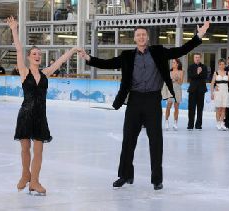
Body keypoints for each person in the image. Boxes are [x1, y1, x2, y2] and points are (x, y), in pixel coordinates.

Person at [79, 22, 210, 190]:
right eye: (138, 35)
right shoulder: (127, 56)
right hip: (134, 100)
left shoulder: (158, 52)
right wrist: (88, 58)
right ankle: (125, 175)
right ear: (134, 38)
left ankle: (157, 179)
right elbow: (108, 63)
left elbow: (181, 50)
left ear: (147, 37)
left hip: (153, 100)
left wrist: (198, 36)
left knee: (156, 140)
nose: (141, 37)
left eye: (143, 34)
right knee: (128, 139)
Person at [7, 16, 78, 195]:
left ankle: (35, 182)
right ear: (30, 58)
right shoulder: (23, 72)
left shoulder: (46, 73)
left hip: (40, 117)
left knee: (38, 151)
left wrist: (74, 49)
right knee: (25, 148)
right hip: (25, 114)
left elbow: (61, 60)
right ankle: (25, 175)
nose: (37, 56)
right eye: (34, 54)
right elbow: (18, 49)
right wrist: (14, 29)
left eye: (39, 54)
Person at [210, 59, 229, 130]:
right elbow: (212, 84)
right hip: (218, 93)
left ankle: (222, 123)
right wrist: (212, 93)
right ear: (218, 65)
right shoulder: (216, 73)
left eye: (223, 64)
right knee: (218, 109)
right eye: (220, 64)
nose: (222, 65)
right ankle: (218, 123)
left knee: (223, 109)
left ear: (225, 65)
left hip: (225, 92)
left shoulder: (227, 73)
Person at [187, 53, 208, 130]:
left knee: (200, 108)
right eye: (196, 57)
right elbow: (190, 76)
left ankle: (198, 125)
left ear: (200, 58)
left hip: (201, 90)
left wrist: (200, 73)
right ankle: (190, 125)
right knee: (191, 108)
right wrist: (197, 73)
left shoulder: (204, 67)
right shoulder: (191, 66)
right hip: (192, 90)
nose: (197, 59)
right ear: (193, 58)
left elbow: (205, 76)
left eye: (198, 57)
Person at [162, 59, 184, 130]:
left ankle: (175, 123)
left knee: (176, 107)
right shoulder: (169, 72)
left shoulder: (181, 72)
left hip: (177, 90)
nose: (172, 64)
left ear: (177, 64)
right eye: (172, 62)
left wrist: (177, 79)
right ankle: (166, 121)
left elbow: (181, 83)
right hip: (170, 90)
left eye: (174, 62)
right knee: (168, 106)